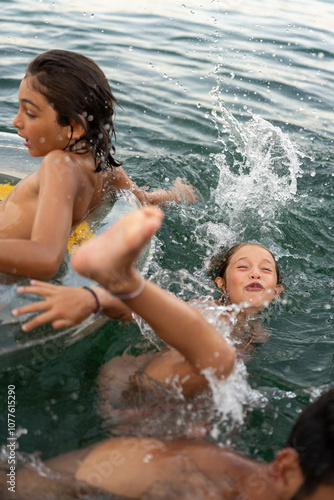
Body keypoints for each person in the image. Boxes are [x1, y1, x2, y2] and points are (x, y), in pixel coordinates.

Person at [1, 207, 333, 499]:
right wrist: (95, 300)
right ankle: (119, 278)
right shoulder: (212, 311)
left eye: (265, 270)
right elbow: (153, 316)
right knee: (222, 362)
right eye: (243, 267)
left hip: (166, 408)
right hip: (136, 390)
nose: (255, 273)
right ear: (220, 283)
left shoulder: (258, 333)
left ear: (277, 291)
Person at [0, 49, 197, 280]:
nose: (16, 121)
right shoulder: (105, 167)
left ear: (74, 127)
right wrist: (176, 194)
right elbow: (143, 199)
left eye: (30, 113)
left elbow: (47, 258)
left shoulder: (59, 166)